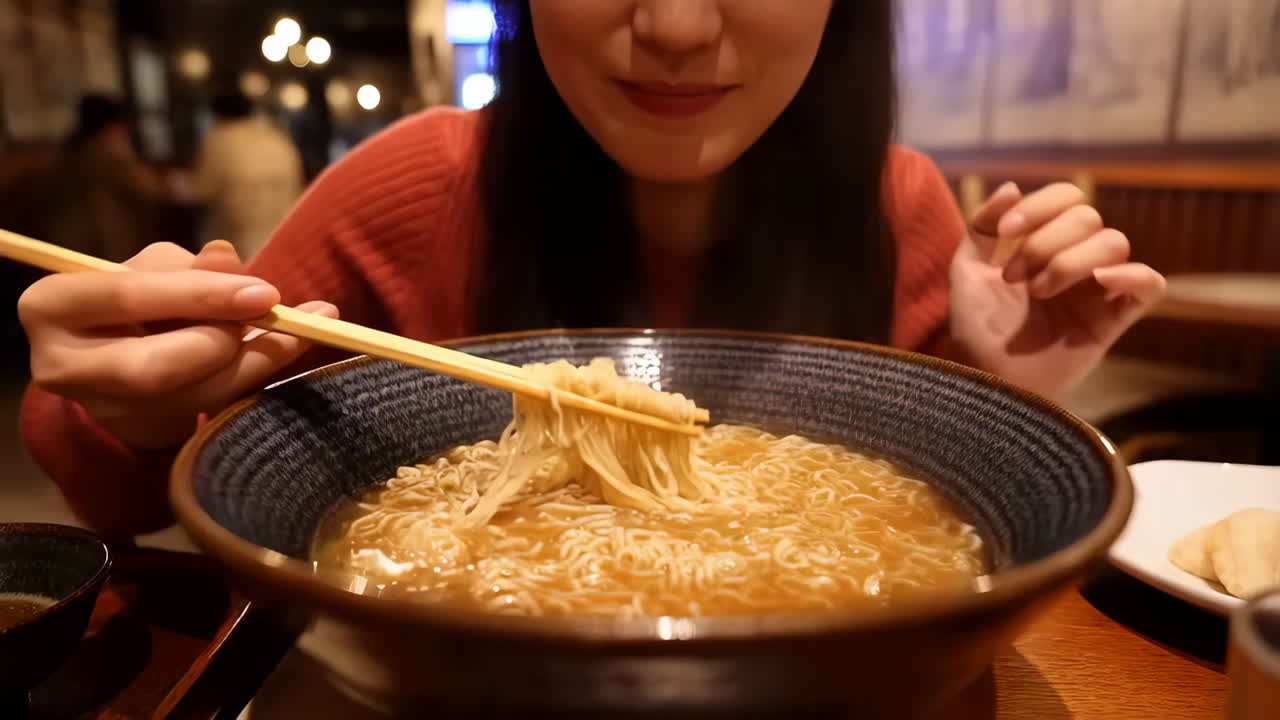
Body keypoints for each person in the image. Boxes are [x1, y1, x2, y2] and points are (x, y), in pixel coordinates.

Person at [17, 0, 1165, 541]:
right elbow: (123, 494)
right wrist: (141, 389)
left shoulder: (901, 209)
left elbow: (942, 538)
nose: (669, 24)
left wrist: (1002, 384)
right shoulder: (412, 190)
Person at [44, 94, 164, 263]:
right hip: (103, 243)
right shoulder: (108, 153)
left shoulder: (68, 152)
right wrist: (125, 152)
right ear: (112, 125)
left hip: (67, 244)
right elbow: (148, 188)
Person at [192, 89, 304, 260]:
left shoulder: (219, 140)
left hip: (238, 244)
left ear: (217, 115)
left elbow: (202, 189)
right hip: (287, 238)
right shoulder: (277, 137)